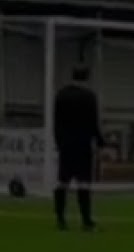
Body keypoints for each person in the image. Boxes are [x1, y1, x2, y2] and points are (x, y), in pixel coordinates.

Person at [52, 65, 104, 231]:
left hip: (66, 145)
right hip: (82, 145)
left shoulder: (61, 95)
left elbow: (57, 122)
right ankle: (86, 220)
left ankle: (60, 219)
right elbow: (93, 122)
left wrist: (59, 142)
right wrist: (101, 142)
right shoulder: (89, 97)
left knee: (62, 182)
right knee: (83, 183)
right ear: (87, 78)